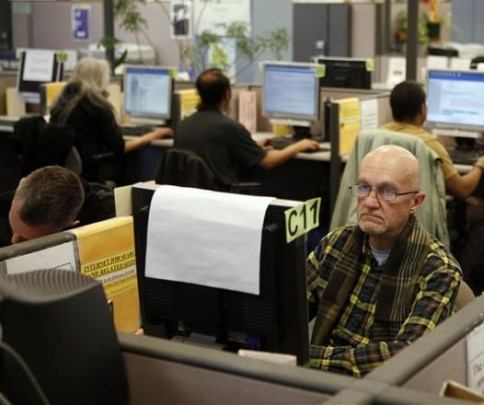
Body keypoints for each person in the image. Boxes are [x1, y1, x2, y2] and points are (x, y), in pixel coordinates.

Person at [307, 145, 461, 377]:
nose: (369, 202)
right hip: (319, 380)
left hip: (385, 389)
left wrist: (308, 357)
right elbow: (290, 310)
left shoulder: (438, 270)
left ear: (415, 202)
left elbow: (406, 355)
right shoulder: (336, 244)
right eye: (364, 188)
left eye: (387, 192)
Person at [382, 81, 484, 280]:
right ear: (423, 109)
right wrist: (480, 165)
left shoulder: (377, 134)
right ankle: (459, 275)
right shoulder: (428, 142)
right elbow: (462, 189)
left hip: (387, 209)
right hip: (421, 214)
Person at [174, 68, 319, 186]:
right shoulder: (229, 127)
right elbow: (268, 162)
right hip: (220, 199)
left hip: (190, 200)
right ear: (227, 94)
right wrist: (299, 145)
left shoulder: (182, 125)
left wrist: (251, 148)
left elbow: (216, 151)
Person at [50, 58, 171, 182]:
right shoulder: (97, 106)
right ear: (100, 80)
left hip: (63, 174)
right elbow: (120, 147)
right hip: (92, 173)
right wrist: (152, 135)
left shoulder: (59, 104)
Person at [0, 166, 115, 247]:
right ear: (21, 184)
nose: (13, 241)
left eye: (25, 240)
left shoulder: (107, 220)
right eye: (12, 228)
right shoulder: (18, 198)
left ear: (71, 224)